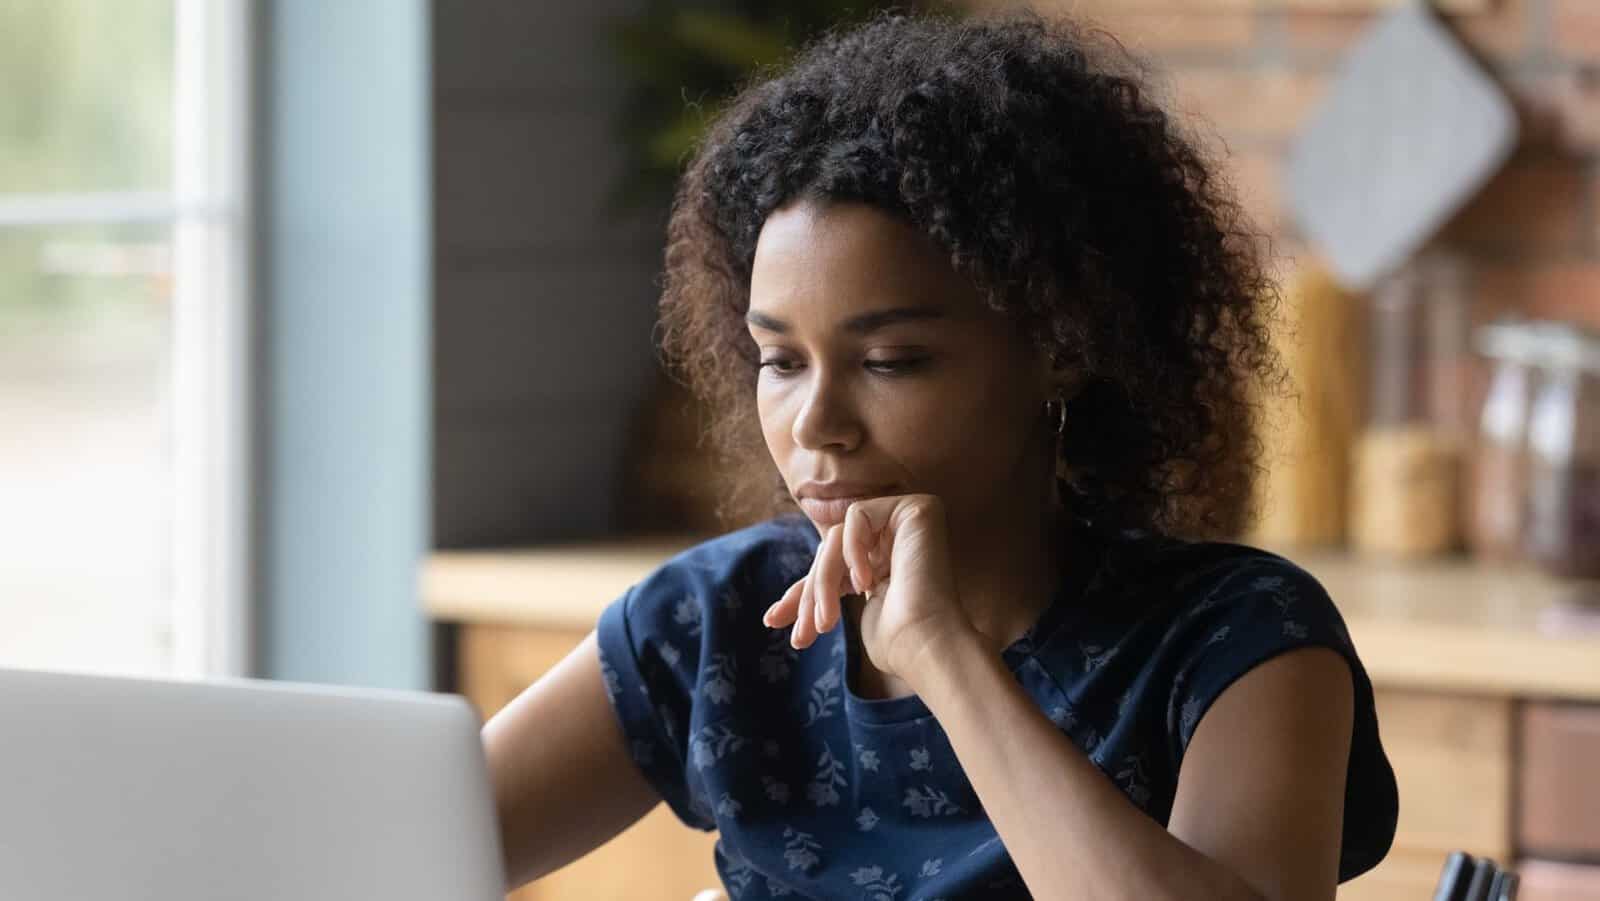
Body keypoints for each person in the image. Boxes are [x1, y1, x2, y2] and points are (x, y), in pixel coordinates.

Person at [481, 9, 1398, 901]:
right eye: (782, 361)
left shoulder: (1240, 641)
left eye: (890, 361)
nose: (816, 422)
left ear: (1061, 347)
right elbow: (382, 846)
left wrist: (941, 656)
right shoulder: (716, 624)